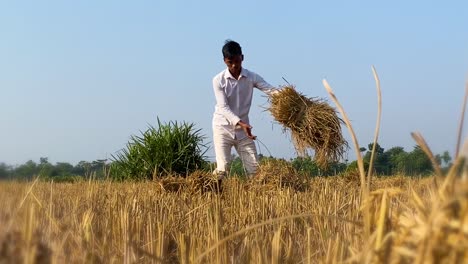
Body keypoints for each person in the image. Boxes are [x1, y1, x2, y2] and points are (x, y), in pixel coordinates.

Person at [212, 40, 278, 180]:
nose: (235, 65)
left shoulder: (251, 77)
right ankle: (214, 194)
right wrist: (241, 123)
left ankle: (255, 197)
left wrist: (287, 96)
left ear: (242, 57)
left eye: (237, 61)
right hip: (222, 128)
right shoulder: (218, 80)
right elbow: (223, 107)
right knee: (223, 169)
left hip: (243, 132)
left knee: (254, 170)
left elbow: (270, 90)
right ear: (225, 61)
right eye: (230, 62)